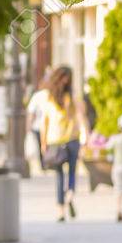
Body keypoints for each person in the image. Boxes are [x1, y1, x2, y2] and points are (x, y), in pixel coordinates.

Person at [39, 65, 83, 222]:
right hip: (71, 139)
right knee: (71, 172)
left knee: (59, 176)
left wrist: (43, 143)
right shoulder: (71, 97)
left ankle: (60, 211)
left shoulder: (49, 98)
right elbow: (80, 116)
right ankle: (70, 194)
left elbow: (44, 122)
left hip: (56, 140)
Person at [25, 79, 52, 171]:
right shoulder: (52, 94)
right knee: (49, 144)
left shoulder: (37, 96)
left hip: (38, 125)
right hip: (50, 125)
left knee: (41, 145)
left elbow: (31, 113)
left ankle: (43, 164)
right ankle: (49, 162)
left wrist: (28, 126)